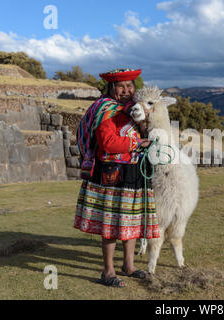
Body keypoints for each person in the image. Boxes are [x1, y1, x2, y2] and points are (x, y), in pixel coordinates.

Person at [74, 68, 160, 287]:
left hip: (133, 172)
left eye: (130, 86)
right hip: (111, 172)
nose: (126, 90)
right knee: (111, 224)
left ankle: (128, 265)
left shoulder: (134, 109)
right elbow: (107, 143)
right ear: (111, 88)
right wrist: (137, 143)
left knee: (129, 220)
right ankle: (108, 271)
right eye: (121, 86)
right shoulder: (104, 110)